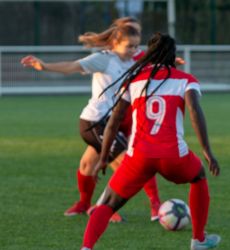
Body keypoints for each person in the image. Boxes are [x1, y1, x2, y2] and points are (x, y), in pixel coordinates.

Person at [81, 33, 221, 250]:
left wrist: (104, 157)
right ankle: (198, 240)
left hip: (139, 157)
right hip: (174, 156)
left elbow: (113, 121)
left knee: (107, 203)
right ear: (173, 56)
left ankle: (86, 247)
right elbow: (194, 111)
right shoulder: (185, 80)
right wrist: (207, 151)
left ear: (148, 53)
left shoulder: (134, 80)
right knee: (199, 176)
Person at [20, 20, 161, 222]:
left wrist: (169, 64)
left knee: (87, 165)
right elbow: (73, 66)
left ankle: (86, 204)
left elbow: (150, 72)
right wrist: (44, 66)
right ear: (115, 44)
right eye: (129, 46)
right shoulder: (103, 59)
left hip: (107, 125)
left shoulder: (131, 63)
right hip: (94, 122)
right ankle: (103, 207)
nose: (133, 50)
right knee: (128, 168)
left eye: (136, 46)